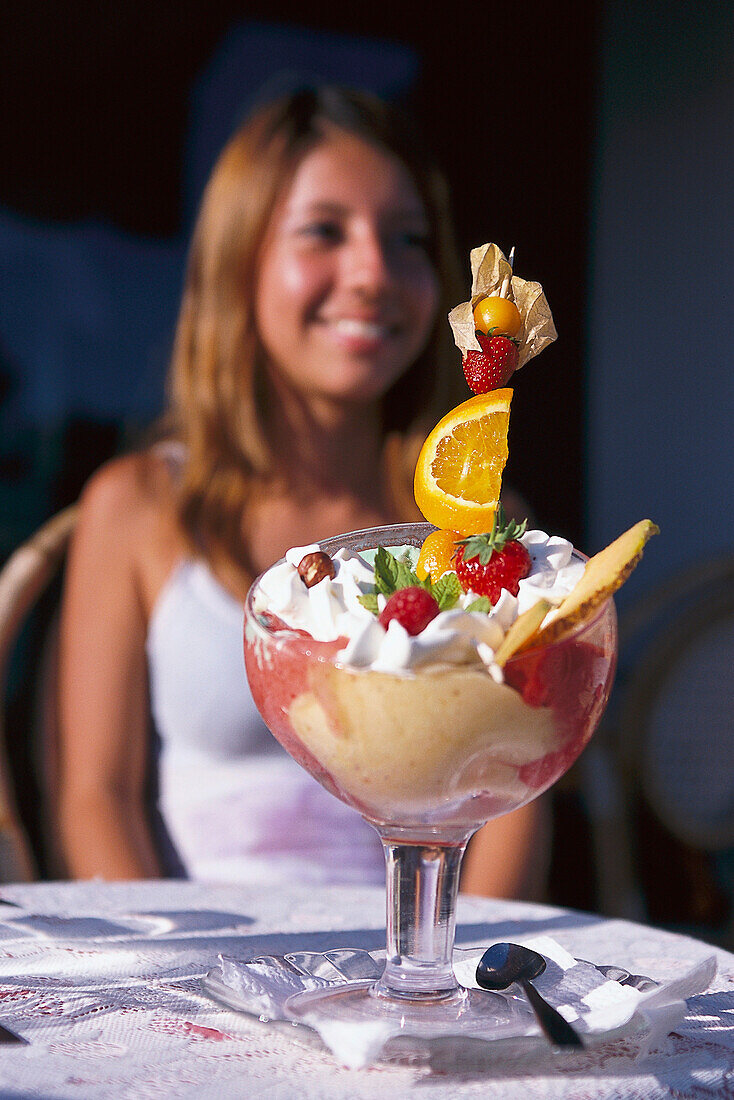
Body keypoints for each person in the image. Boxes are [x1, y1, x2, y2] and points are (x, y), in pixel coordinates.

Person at [57, 86, 548, 896]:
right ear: (238, 258)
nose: (373, 272)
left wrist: (449, 977)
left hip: (411, 977)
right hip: (205, 973)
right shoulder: (138, 504)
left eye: (409, 239)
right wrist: (167, 974)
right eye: (325, 231)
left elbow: (513, 793)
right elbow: (93, 797)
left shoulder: (478, 526)